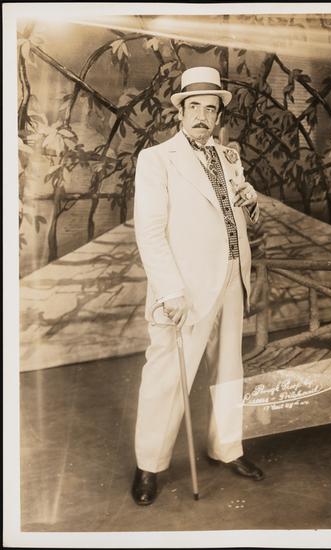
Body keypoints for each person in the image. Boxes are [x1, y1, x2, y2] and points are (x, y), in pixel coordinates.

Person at [132, 66, 264, 506]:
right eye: (195, 107)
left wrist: (251, 201)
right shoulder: (157, 159)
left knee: (229, 369)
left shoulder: (228, 156)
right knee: (168, 375)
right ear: (181, 111)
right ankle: (149, 465)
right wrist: (169, 290)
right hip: (185, 288)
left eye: (211, 109)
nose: (203, 116)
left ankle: (227, 448)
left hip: (232, 276)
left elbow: (235, 212)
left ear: (218, 115)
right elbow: (150, 232)